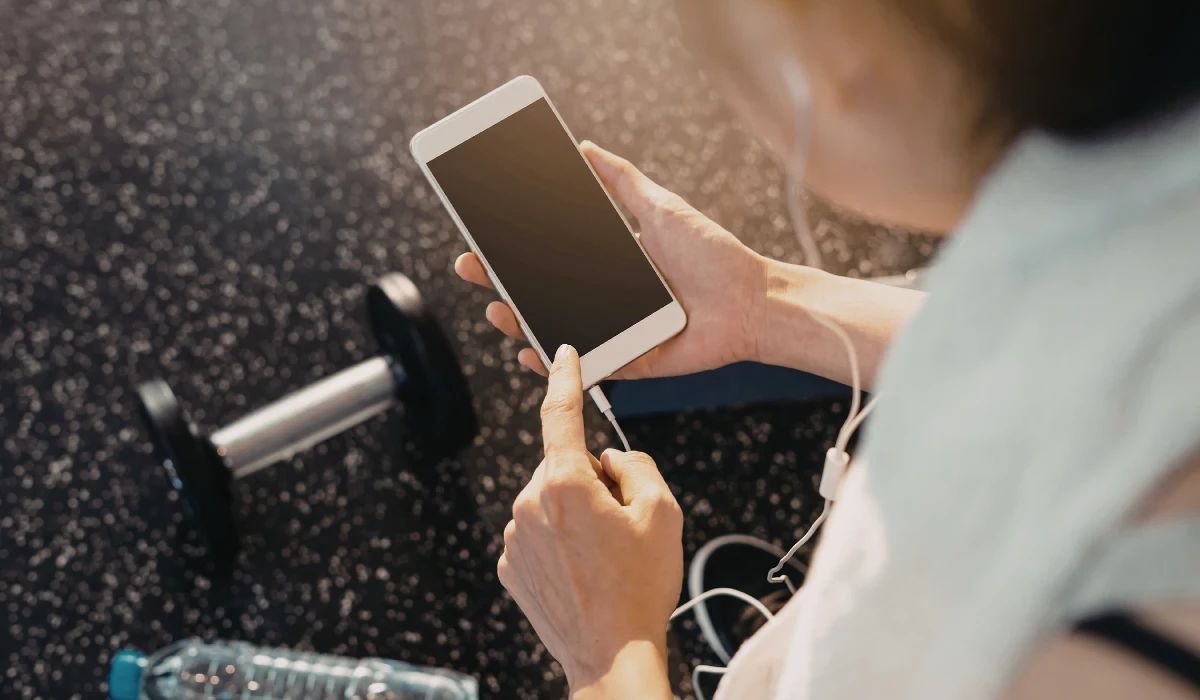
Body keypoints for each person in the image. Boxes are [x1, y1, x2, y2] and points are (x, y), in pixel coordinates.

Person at [454, 1, 1200, 698]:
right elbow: (1076, 349)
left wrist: (608, 653)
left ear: (838, 60)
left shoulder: (1116, 645)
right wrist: (763, 304)